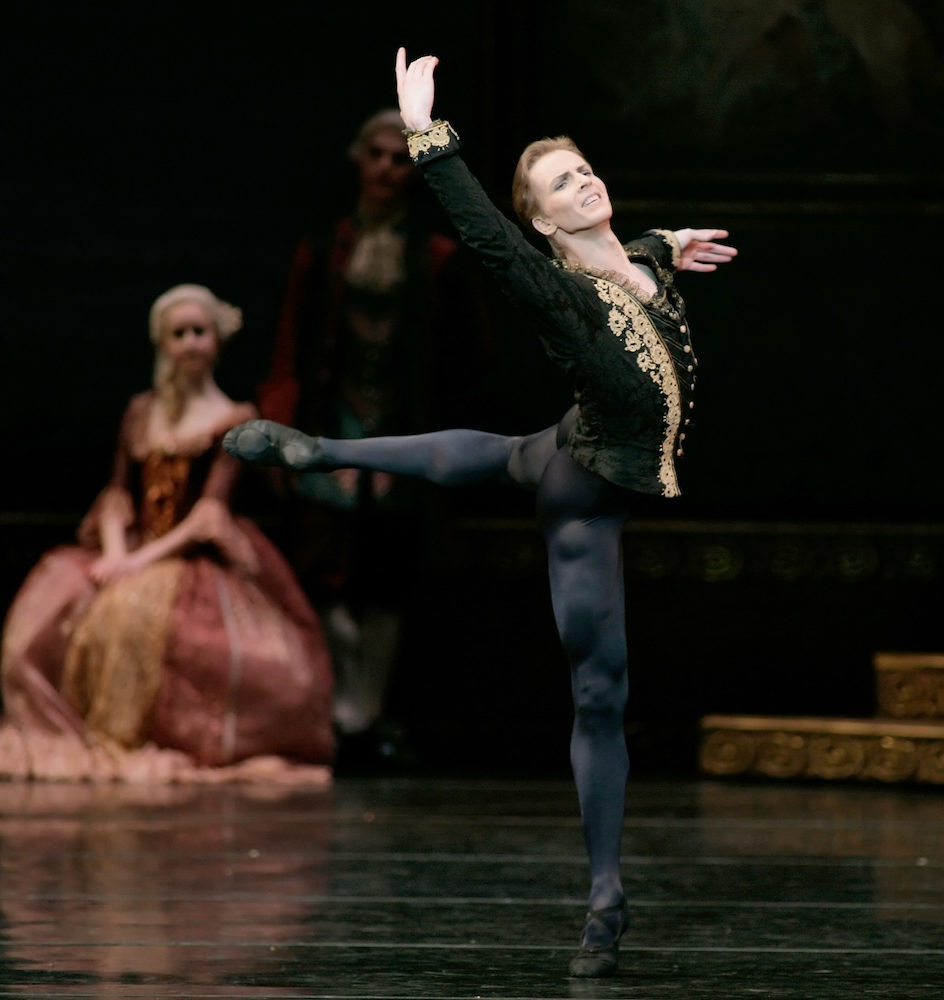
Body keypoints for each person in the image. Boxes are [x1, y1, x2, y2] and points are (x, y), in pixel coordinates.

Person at [224, 49, 737, 977]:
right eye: (557, 184)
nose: (580, 183)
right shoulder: (558, 291)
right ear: (541, 219)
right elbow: (489, 239)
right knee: (600, 694)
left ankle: (321, 447)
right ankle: (604, 896)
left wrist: (671, 239)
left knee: (508, 453)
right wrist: (429, 138)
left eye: (583, 169)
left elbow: (642, 259)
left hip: (577, 437)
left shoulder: (646, 258)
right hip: (590, 496)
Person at [0, 284, 334, 785]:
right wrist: (119, 551)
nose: (190, 342)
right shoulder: (141, 412)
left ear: (216, 340)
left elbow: (209, 513)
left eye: (199, 332)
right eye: (179, 333)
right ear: (163, 342)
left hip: (190, 554)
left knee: (146, 617)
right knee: (42, 617)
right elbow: (118, 494)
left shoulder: (235, 419)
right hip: (135, 545)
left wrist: (141, 563)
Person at [258, 108, 495, 768]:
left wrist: (424, 448)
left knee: (388, 577)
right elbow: (289, 346)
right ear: (358, 160)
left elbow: (465, 361)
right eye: (378, 156)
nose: (388, 168)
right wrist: (287, 431)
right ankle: (346, 710)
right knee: (326, 574)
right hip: (330, 432)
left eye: (400, 158)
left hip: (402, 434)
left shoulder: (437, 258)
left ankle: (374, 714)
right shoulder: (323, 248)